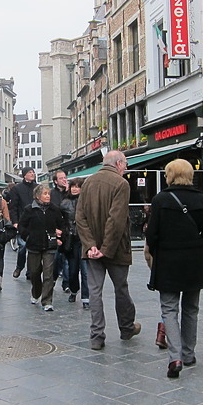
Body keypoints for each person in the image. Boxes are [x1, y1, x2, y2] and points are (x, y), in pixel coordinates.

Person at [146, 159, 203, 379]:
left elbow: (152, 234)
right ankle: (188, 353)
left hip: (168, 261)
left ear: (170, 175)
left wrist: (156, 254)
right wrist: (200, 252)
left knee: (169, 308)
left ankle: (174, 356)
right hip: (194, 261)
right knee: (191, 308)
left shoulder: (160, 200)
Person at [75, 150, 141, 350]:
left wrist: (91, 245)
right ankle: (126, 327)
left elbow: (80, 217)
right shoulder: (121, 184)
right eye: (126, 164)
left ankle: (97, 336)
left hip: (93, 250)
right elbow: (116, 219)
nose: (126, 168)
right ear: (119, 163)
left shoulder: (88, 183)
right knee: (121, 288)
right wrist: (105, 248)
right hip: (116, 249)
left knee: (95, 292)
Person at [19, 184, 65, 311]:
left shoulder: (54, 209)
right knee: (34, 272)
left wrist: (59, 235)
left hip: (49, 245)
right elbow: (22, 226)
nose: (48, 196)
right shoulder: (29, 209)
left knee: (48, 274)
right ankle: (36, 292)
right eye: (45, 194)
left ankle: (47, 301)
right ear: (38, 196)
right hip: (34, 245)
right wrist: (27, 236)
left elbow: (61, 224)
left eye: (48, 194)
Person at [60, 177, 89, 308]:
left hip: (84, 240)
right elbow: (60, 220)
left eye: (78, 186)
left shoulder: (87, 202)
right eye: (73, 186)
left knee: (85, 271)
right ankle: (73, 290)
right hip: (71, 240)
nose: (75, 189)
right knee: (72, 270)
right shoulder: (65, 203)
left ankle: (86, 297)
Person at [8, 167, 37, 279]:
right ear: (24, 175)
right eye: (30, 172)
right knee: (23, 246)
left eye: (33, 172)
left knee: (33, 249)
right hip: (22, 222)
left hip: (35, 222)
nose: (32, 174)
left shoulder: (37, 187)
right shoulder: (17, 189)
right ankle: (19, 266)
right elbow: (13, 207)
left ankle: (30, 271)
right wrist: (15, 221)